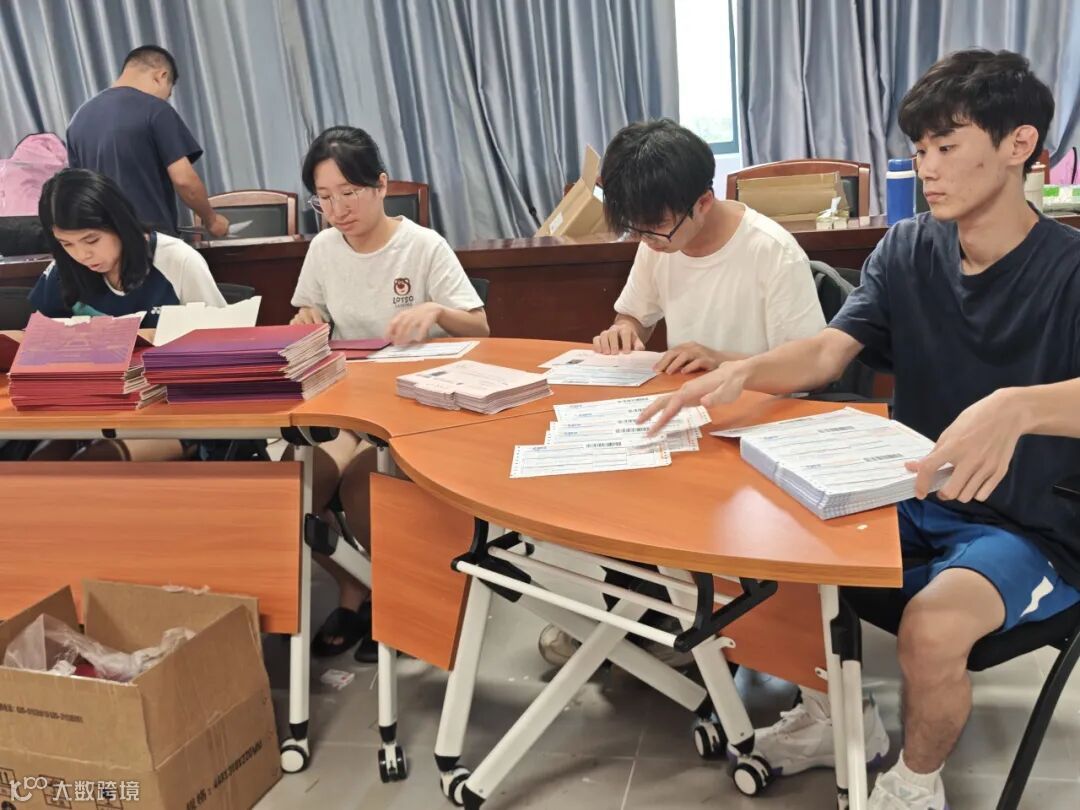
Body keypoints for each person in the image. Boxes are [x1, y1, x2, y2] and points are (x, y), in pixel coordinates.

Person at [641, 49, 1080, 810]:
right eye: (919, 149)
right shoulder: (908, 249)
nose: (927, 168)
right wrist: (744, 370)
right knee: (755, 540)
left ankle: (914, 784)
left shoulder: (1069, 269)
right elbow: (827, 352)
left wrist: (1021, 407)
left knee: (932, 628)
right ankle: (830, 718)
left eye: (947, 147)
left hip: (1031, 524)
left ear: (1019, 145)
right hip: (908, 491)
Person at [539, 119, 826, 667]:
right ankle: (638, 621)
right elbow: (634, 315)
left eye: (656, 230)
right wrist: (622, 330)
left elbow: (808, 370)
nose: (648, 242)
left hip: (754, 430)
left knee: (661, 503)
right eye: (637, 230)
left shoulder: (771, 252)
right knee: (599, 490)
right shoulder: (660, 241)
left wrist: (725, 362)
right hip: (685, 421)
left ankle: (679, 627)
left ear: (702, 202)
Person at [290, 126, 489, 661]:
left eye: (349, 193)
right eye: (323, 198)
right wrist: (306, 317)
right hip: (349, 405)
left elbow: (481, 327)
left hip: (411, 410)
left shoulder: (422, 246)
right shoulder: (323, 249)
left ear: (381, 185)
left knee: (364, 486)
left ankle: (404, 597)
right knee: (293, 487)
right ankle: (359, 585)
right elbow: (309, 314)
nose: (338, 210)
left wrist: (437, 311)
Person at [30, 167, 225, 462]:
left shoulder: (176, 260)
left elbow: (225, 343)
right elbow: (38, 344)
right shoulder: (63, 270)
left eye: (91, 240)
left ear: (119, 223)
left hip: (178, 409)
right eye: (66, 244)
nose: (82, 255)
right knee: (39, 466)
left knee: (95, 463)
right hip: (93, 407)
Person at [66, 45, 229, 238]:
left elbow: (79, 192)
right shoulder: (156, 110)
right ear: (161, 76)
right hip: (151, 241)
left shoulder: (78, 120)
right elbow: (184, 180)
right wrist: (211, 220)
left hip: (104, 242)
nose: (166, 99)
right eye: (168, 92)